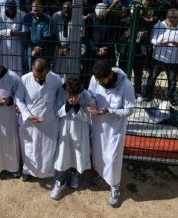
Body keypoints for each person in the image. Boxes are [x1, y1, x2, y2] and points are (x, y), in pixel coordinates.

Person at [87, 60, 134, 207]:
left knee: (113, 158)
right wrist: (92, 104)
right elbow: (92, 95)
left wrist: (109, 111)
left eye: (102, 81)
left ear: (110, 75)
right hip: (99, 124)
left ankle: (115, 186)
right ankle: (100, 173)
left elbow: (129, 110)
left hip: (115, 127)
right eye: (97, 81)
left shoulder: (126, 86)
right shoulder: (95, 79)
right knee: (98, 152)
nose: (99, 84)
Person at [15, 58, 63, 180]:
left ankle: (48, 171)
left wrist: (54, 112)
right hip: (30, 122)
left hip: (50, 121)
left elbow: (61, 96)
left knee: (48, 147)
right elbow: (18, 99)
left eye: (41, 77)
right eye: (36, 76)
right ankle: (27, 170)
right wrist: (27, 115)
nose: (37, 79)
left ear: (48, 71)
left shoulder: (56, 79)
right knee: (29, 146)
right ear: (32, 69)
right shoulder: (24, 79)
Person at [51, 77, 94, 200]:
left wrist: (76, 106)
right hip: (65, 129)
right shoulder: (61, 92)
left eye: (75, 94)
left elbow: (86, 117)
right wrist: (68, 105)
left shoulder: (85, 95)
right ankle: (60, 182)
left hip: (80, 131)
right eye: (70, 94)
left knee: (76, 153)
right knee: (63, 155)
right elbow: (57, 113)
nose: (73, 96)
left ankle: (74, 173)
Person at [149, 9, 178, 102]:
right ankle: (148, 94)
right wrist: (160, 43)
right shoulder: (158, 26)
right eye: (170, 17)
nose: (172, 19)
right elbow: (152, 40)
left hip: (173, 59)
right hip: (158, 57)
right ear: (166, 16)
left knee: (172, 80)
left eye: (175, 17)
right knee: (152, 77)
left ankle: (170, 97)